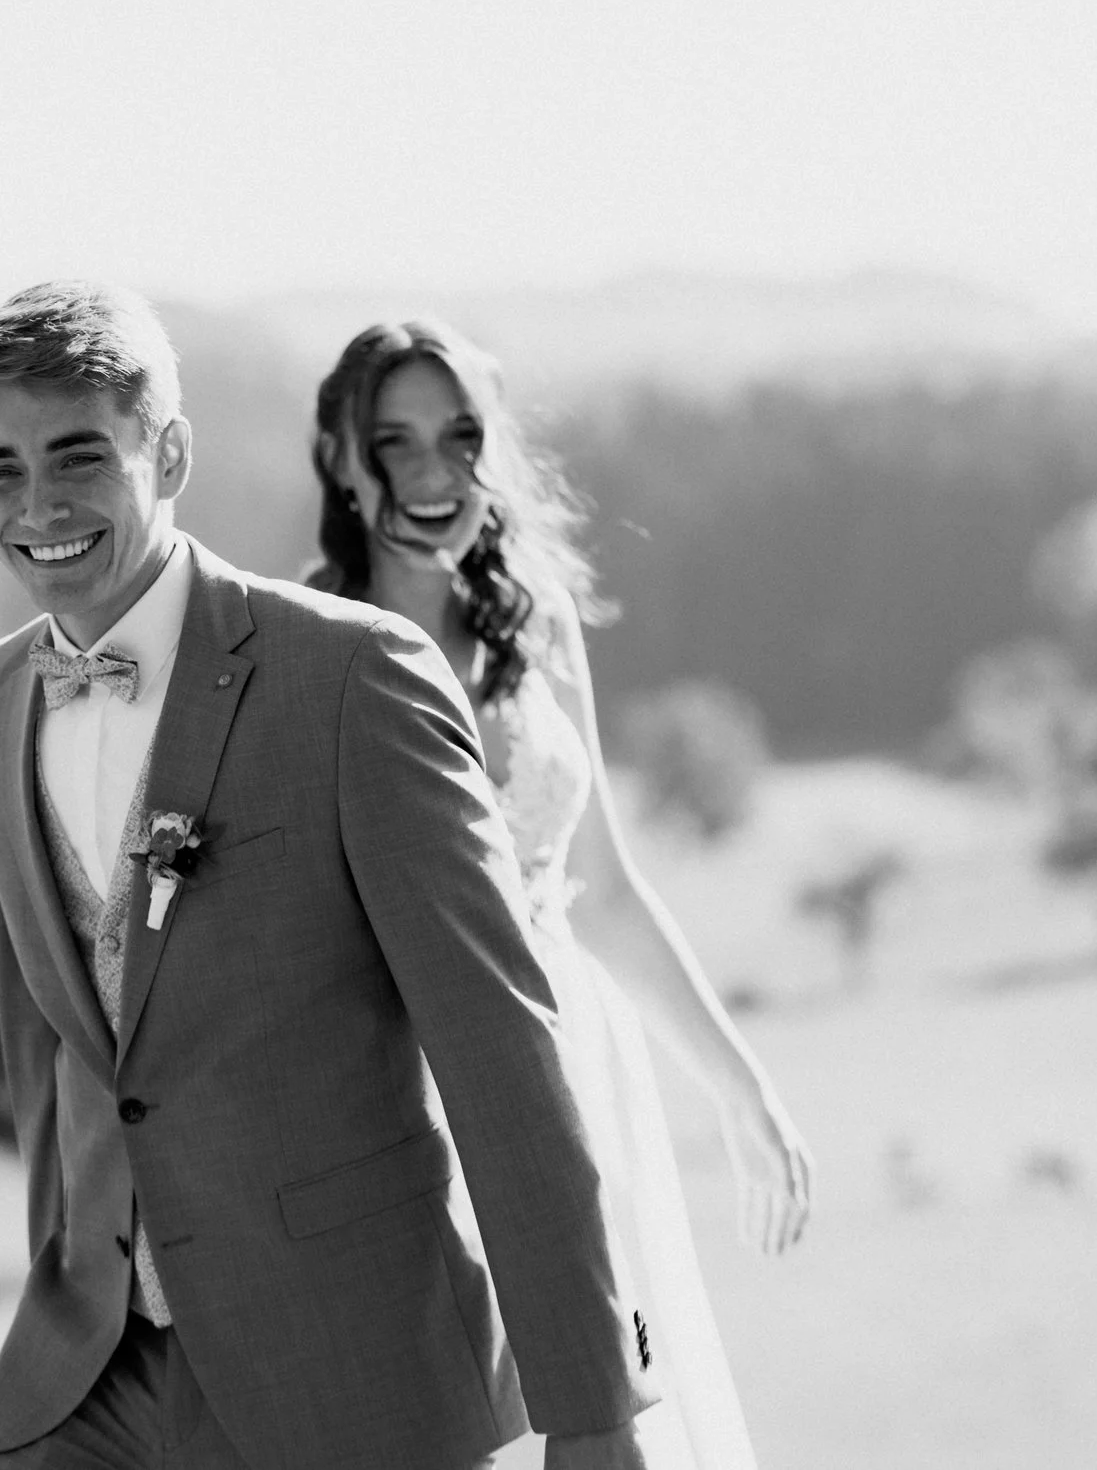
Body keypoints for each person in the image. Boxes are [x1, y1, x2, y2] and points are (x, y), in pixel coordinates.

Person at [0, 281, 657, 1470]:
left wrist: (593, 1411)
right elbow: (49, 1048)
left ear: (168, 449)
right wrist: (71, 1276)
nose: (39, 504)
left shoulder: (350, 678)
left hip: (341, 1364)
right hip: (90, 1376)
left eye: (76, 455)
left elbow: (499, 1050)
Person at [309, 319, 815, 1470]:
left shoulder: (534, 623)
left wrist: (741, 1090)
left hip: (582, 1063)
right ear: (339, 458)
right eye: (392, 442)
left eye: (459, 435)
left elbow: (606, 890)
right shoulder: (307, 648)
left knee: (616, 1410)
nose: (431, 472)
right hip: (416, 1085)